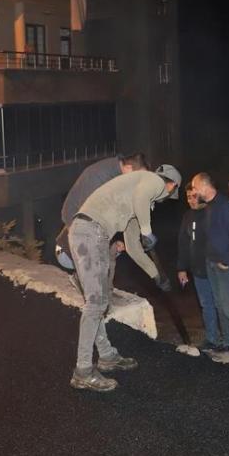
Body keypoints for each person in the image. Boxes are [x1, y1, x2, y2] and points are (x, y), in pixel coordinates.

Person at [68, 164, 181, 392]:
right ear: (171, 185)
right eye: (171, 193)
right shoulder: (151, 181)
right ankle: (83, 371)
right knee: (96, 304)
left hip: (90, 234)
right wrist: (148, 231)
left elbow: (133, 247)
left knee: (98, 303)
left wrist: (156, 275)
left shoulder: (134, 203)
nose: (165, 198)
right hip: (89, 231)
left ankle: (107, 356)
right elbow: (142, 197)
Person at [55, 152, 147, 271]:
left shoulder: (116, 175)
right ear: (128, 168)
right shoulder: (98, 177)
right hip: (68, 251)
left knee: (113, 251)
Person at [191, 172, 229, 352]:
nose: (194, 191)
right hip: (212, 262)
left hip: (225, 264)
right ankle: (228, 341)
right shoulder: (209, 207)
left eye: (195, 187)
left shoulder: (225, 206)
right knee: (219, 305)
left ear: (205, 187)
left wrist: (228, 261)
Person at [177, 185, 219, 351]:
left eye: (194, 196)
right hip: (198, 269)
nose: (191, 200)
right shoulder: (188, 216)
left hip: (217, 268)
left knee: (222, 304)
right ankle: (212, 338)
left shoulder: (212, 212)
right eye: (188, 197)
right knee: (206, 304)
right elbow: (183, 243)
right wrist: (181, 268)